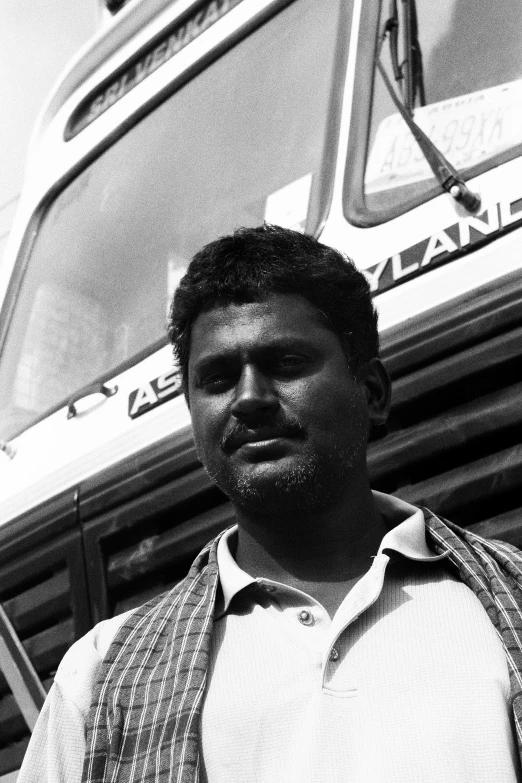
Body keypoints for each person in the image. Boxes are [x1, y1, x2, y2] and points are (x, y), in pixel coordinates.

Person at [18, 224, 522, 783]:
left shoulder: (509, 604)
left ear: (373, 392)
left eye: (285, 363)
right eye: (217, 378)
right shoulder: (97, 680)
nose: (249, 398)